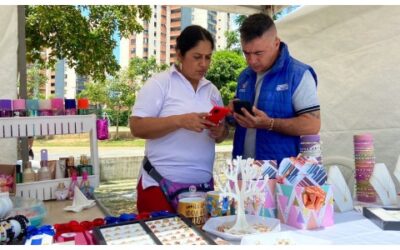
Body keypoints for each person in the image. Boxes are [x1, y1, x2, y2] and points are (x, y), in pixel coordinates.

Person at [130, 25, 229, 213]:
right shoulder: (160, 83)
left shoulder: (212, 90)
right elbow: (137, 127)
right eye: (197, 57)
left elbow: (221, 135)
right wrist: (180, 121)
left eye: (208, 57)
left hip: (203, 188)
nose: (204, 64)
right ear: (180, 54)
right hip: (159, 186)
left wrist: (220, 131)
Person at [230, 13, 321, 164]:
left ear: (276, 43)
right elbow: (240, 122)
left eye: (258, 53)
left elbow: (312, 125)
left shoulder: (298, 74)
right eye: (246, 53)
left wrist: (269, 123)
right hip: (244, 173)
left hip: (282, 176)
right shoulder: (245, 76)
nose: (251, 60)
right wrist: (231, 113)